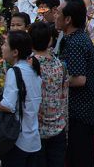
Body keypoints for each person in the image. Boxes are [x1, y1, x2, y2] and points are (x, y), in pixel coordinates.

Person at [0, 30, 42, 167]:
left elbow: (8, 105)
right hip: (34, 140)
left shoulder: (14, 72)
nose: (2, 47)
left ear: (15, 52)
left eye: (5, 44)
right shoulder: (34, 70)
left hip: (18, 141)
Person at [55, 0, 94, 167]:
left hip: (79, 110)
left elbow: (79, 79)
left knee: (79, 157)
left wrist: (55, 81)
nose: (55, 15)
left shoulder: (75, 42)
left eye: (58, 12)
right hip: (82, 109)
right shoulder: (75, 38)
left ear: (68, 19)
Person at [31, 21, 67, 167]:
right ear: (51, 40)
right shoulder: (60, 65)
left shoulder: (29, 66)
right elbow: (65, 97)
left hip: (35, 129)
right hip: (58, 126)